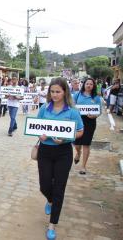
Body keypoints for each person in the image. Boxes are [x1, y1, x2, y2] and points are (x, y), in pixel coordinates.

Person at [36, 77, 84, 240]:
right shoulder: (44, 108)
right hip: (45, 151)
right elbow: (37, 126)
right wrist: (40, 136)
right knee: (44, 185)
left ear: (65, 92)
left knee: (59, 189)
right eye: (52, 91)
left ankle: (52, 225)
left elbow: (80, 131)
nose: (55, 94)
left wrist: (66, 138)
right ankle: (49, 200)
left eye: (58, 91)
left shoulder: (72, 111)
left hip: (63, 153)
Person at [73, 78, 102, 175]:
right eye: (87, 84)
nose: (89, 85)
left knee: (86, 144)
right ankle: (78, 152)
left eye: (91, 84)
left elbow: (99, 111)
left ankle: (83, 166)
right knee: (76, 144)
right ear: (84, 85)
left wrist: (95, 115)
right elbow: (71, 107)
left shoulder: (96, 97)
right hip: (78, 121)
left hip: (90, 122)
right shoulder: (77, 95)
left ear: (93, 86)